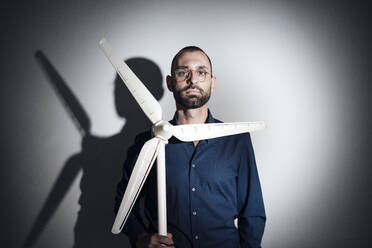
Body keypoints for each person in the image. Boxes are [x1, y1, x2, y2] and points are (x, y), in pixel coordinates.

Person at [115, 46, 266, 248]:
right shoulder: (147, 143)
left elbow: (252, 211)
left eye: (201, 72)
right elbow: (124, 205)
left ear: (212, 83)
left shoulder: (236, 140)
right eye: (182, 72)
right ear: (170, 83)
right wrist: (141, 238)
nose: (193, 80)